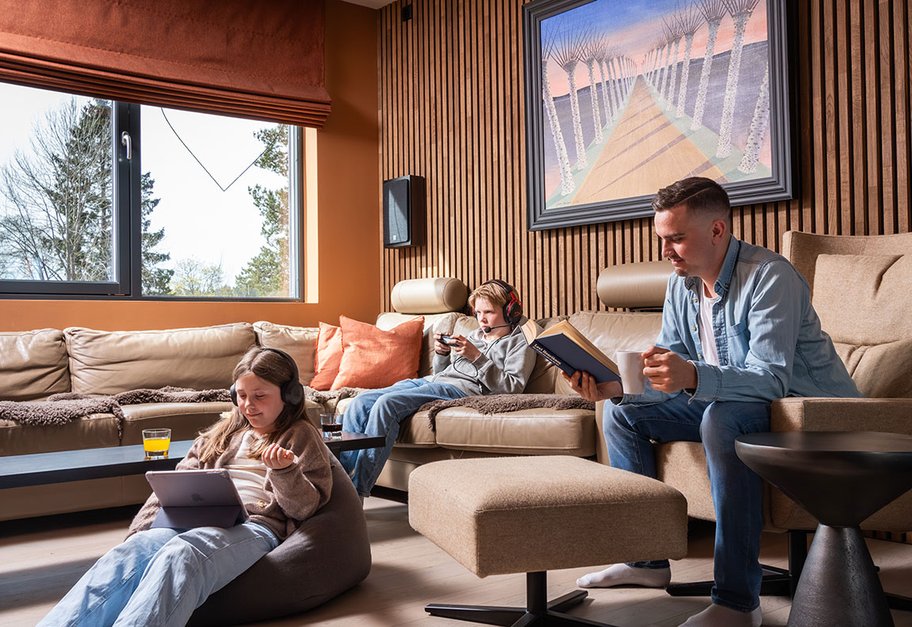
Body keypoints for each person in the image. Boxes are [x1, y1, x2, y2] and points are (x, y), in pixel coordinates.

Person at [567, 177, 860, 627]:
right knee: (624, 413)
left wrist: (693, 375)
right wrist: (614, 388)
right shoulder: (681, 285)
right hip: (743, 403)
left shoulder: (769, 276)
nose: (667, 250)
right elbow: (668, 369)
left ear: (718, 230)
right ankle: (647, 562)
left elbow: (772, 381)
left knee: (721, 420)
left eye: (677, 238)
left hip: (807, 411)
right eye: (662, 239)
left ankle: (738, 603)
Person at [40, 347, 333, 627]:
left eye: (260, 396)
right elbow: (168, 491)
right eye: (241, 395)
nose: (248, 405)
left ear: (290, 396)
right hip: (194, 518)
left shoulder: (301, 436)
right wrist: (142, 531)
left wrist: (285, 472)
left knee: (181, 554)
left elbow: (305, 508)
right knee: (131, 552)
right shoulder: (218, 435)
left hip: (254, 526)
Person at [341, 279, 537, 499]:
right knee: (360, 402)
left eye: (488, 312)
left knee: (386, 405)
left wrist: (477, 357)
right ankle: (340, 485)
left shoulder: (521, 341)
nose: (481, 319)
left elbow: (512, 387)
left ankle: (356, 493)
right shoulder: (476, 335)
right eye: (478, 312)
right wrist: (442, 354)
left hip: (462, 391)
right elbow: (446, 371)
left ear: (511, 311)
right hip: (434, 381)